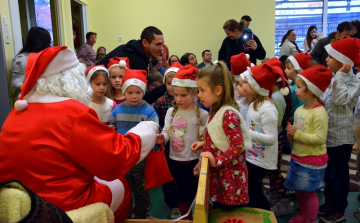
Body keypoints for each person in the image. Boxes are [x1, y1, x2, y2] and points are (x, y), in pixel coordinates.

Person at [0, 46, 159, 223]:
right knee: (122, 185)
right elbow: (115, 158)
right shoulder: (73, 112)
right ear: (74, 79)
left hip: (22, 201)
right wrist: (145, 130)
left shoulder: (17, 112)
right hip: (61, 204)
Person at [191, 61, 251, 209]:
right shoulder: (215, 110)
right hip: (222, 175)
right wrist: (205, 145)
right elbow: (221, 139)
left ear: (218, 90)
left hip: (231, 178)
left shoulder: (229, 114)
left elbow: (238, 146)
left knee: (228, 214)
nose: (199, 95)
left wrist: (216, 161)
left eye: (202, 90)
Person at [156, 65, 208, 219]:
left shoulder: (203, 114)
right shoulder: (172, 112)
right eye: (176, 95)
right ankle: (185, 217)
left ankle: (199, 217)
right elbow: (167, 131)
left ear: (194, 94)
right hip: (175, 160)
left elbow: (207, 138)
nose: (178, 99)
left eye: (183, 95)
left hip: (194, 162)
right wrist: (163, 138)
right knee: (181, 195)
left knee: (196, 194)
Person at [318, 37, 360, 223]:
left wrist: (342, 76)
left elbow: (341, 100)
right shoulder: (335, 77)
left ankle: (339, 209)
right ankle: (329, 203)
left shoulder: (353, 81)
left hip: (342, 139)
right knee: (328, 174)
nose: (326, 59)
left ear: (343, 62)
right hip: (329, 135)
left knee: (339, 176)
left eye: (330, 56)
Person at [286, 65, 332, 223]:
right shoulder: (299, 110)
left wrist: (297, 134)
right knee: (300, 190)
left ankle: (311, 219)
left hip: (312, 161)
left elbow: (320, 138)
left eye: (299, 87)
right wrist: (292, 137)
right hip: (298, 157)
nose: (295, 90)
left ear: (311, 90)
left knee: (310, 193)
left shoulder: (319, 113)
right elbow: (300, 133)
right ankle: (304, 215)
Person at [111, 68, 159, 219]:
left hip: (140, 157)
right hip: (122, 156)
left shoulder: (149, 110)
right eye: (130, 92)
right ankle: (124, 214)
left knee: (140, 187)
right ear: (124, 92)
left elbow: (154, 132)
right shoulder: (117, 110)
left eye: (138, 92)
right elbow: (112, 131)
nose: (134, 96)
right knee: (123, 187)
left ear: (143, 92)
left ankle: (140, 216)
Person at [242, 58, 288, 210]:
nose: (242, 86)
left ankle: (266, 215)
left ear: (257, 87)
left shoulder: (267, 108)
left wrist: (246, 133)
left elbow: (271, 139)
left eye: (246, 83)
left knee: (253, 193)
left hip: (260, 160)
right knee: (253, 191)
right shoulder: (254, 103)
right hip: (253, 155)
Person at [99, 26, 167, 104]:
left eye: (162, 44)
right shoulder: (138, 62)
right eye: (158, 44)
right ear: (145, 43)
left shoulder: (129, 48)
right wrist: (166, 86)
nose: (162, 48)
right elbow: (142, 99)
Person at [153, 62, 182, 219]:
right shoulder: (161, 101)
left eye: (175, 83)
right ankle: (173, 205)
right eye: (169, 83)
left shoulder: (190, 102)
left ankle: (184, 202)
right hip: (168, 143)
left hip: (184, 145)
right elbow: (158, 124)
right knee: (169, 176)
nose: (172, 87)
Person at [268, 77, 293, 216]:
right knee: (273, 169)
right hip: (275, 137)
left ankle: (284, 200)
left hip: (275, 137)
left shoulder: (277, 97)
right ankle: (274, 196)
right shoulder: (275, 95)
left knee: (273, 171)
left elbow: (276, 123)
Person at [11, 26, 51, 95]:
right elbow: (16, 82)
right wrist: (35, 93)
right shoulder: (22, 58)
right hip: (28, 98)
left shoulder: (47, 57)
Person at [284, 53, 313, 121]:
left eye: (288, 68)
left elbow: (303, 108)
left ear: (298, 70)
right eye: (285, 68)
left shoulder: (298, 89)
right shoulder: (293, 86)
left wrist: (291, 119)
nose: (285, 71)